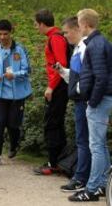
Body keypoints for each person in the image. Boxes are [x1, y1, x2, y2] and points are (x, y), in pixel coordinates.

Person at [68, 9, 112, 202]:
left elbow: (101, 78)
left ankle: (92, 189)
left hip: (100, 100)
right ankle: (104, 184)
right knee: (100, 145)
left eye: (79, 23)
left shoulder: (95, 45)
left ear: (86, 24)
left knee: (96, 145)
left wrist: (92, 101)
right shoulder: (97, 43)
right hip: (102, 98)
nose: (77, 26)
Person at [0, 19, 32, 166]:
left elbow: (27, 70)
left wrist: (15, 75)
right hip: (0, 94)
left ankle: (14, 145)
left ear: (11, 33)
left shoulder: (20, 49)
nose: (2, 37)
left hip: (17, 94)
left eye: (5, 34)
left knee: (13, 124)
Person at [55, 16, 91, 192]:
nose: (65, 36)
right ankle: (88, 177)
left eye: (67, 32)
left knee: (84, 141)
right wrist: (63, 72)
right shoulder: (77, 49)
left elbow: (87, 77)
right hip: (80, 100)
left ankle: (81, 178)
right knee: (85, 140)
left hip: (84, 101)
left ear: (77, 29)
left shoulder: (84, 48)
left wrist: (78, 90)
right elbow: (76, 76)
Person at [33, 9, 69, 175]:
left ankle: (53, 163)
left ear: (42, 23)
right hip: (60, 85)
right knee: (56, 123)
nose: (35, 28)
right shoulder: (57, 36)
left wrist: (51, 87)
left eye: (36, 24)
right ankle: (59, 161)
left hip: (59, 86)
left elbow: (60, 64)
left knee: (52, 124)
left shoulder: (55, 38)